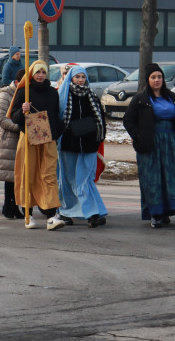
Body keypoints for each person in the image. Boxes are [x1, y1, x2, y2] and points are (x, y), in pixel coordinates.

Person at [123, 63, 175, 228]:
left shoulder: (172, 97)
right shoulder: (140, 99)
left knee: (170, 177)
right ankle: (155, 213)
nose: (157, 80)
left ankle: (167, 211)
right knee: (152, 179)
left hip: (170, 142)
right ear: (148, 79)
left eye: (159, 77)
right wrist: (138, 137)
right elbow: (128, 120)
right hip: (149, 143)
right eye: (153, 77)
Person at [51, 65, 108, 229]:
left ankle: (92, 213)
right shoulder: (63, 95)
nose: (81, 80)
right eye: (77, 77)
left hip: (89, 144)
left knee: (84, 180)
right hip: (68, 144)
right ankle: (66, 211)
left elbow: (100, 120)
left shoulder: (91, 96)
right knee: (67, 179)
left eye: (83, 77)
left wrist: (98, 137)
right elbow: (58, 118)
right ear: (71, 78)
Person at [9, 61, 63, 229]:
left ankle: (51, 215)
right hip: (28, 139)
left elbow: (56, 115)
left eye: (43, 72)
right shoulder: (24, 92)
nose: (40, 75)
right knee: (28, 174)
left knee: (49, 175)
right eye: (37, 72)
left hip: (48, 140)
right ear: (32, 74)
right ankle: (28, 214)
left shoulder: (53, 93)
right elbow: (14, 118)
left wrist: (55, 133)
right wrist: (22, 109)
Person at [0, 67, 24, 220]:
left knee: (17, 176)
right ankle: (8, 206)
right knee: (10, 176)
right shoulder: (5, 94)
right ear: (17, 82)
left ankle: (13, 205)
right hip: (8, 138)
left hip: (19, 138)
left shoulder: (24, 94)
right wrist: (20, 128)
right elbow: (1, 119)